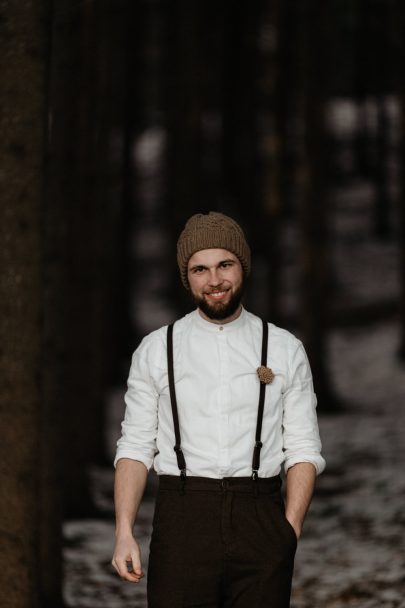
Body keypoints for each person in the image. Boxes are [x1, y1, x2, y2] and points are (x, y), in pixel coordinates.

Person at [112, 211, 325, 608]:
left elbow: (303, 448)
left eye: (224, 265)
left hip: (260, 513)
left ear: (242, 267)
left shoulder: (283, 348)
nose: (214, 281)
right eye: (200, 269)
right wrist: (124, 531)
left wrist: (288, 531)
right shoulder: (159, 349)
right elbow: (135, 447)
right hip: (183, 516)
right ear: (186, 276)